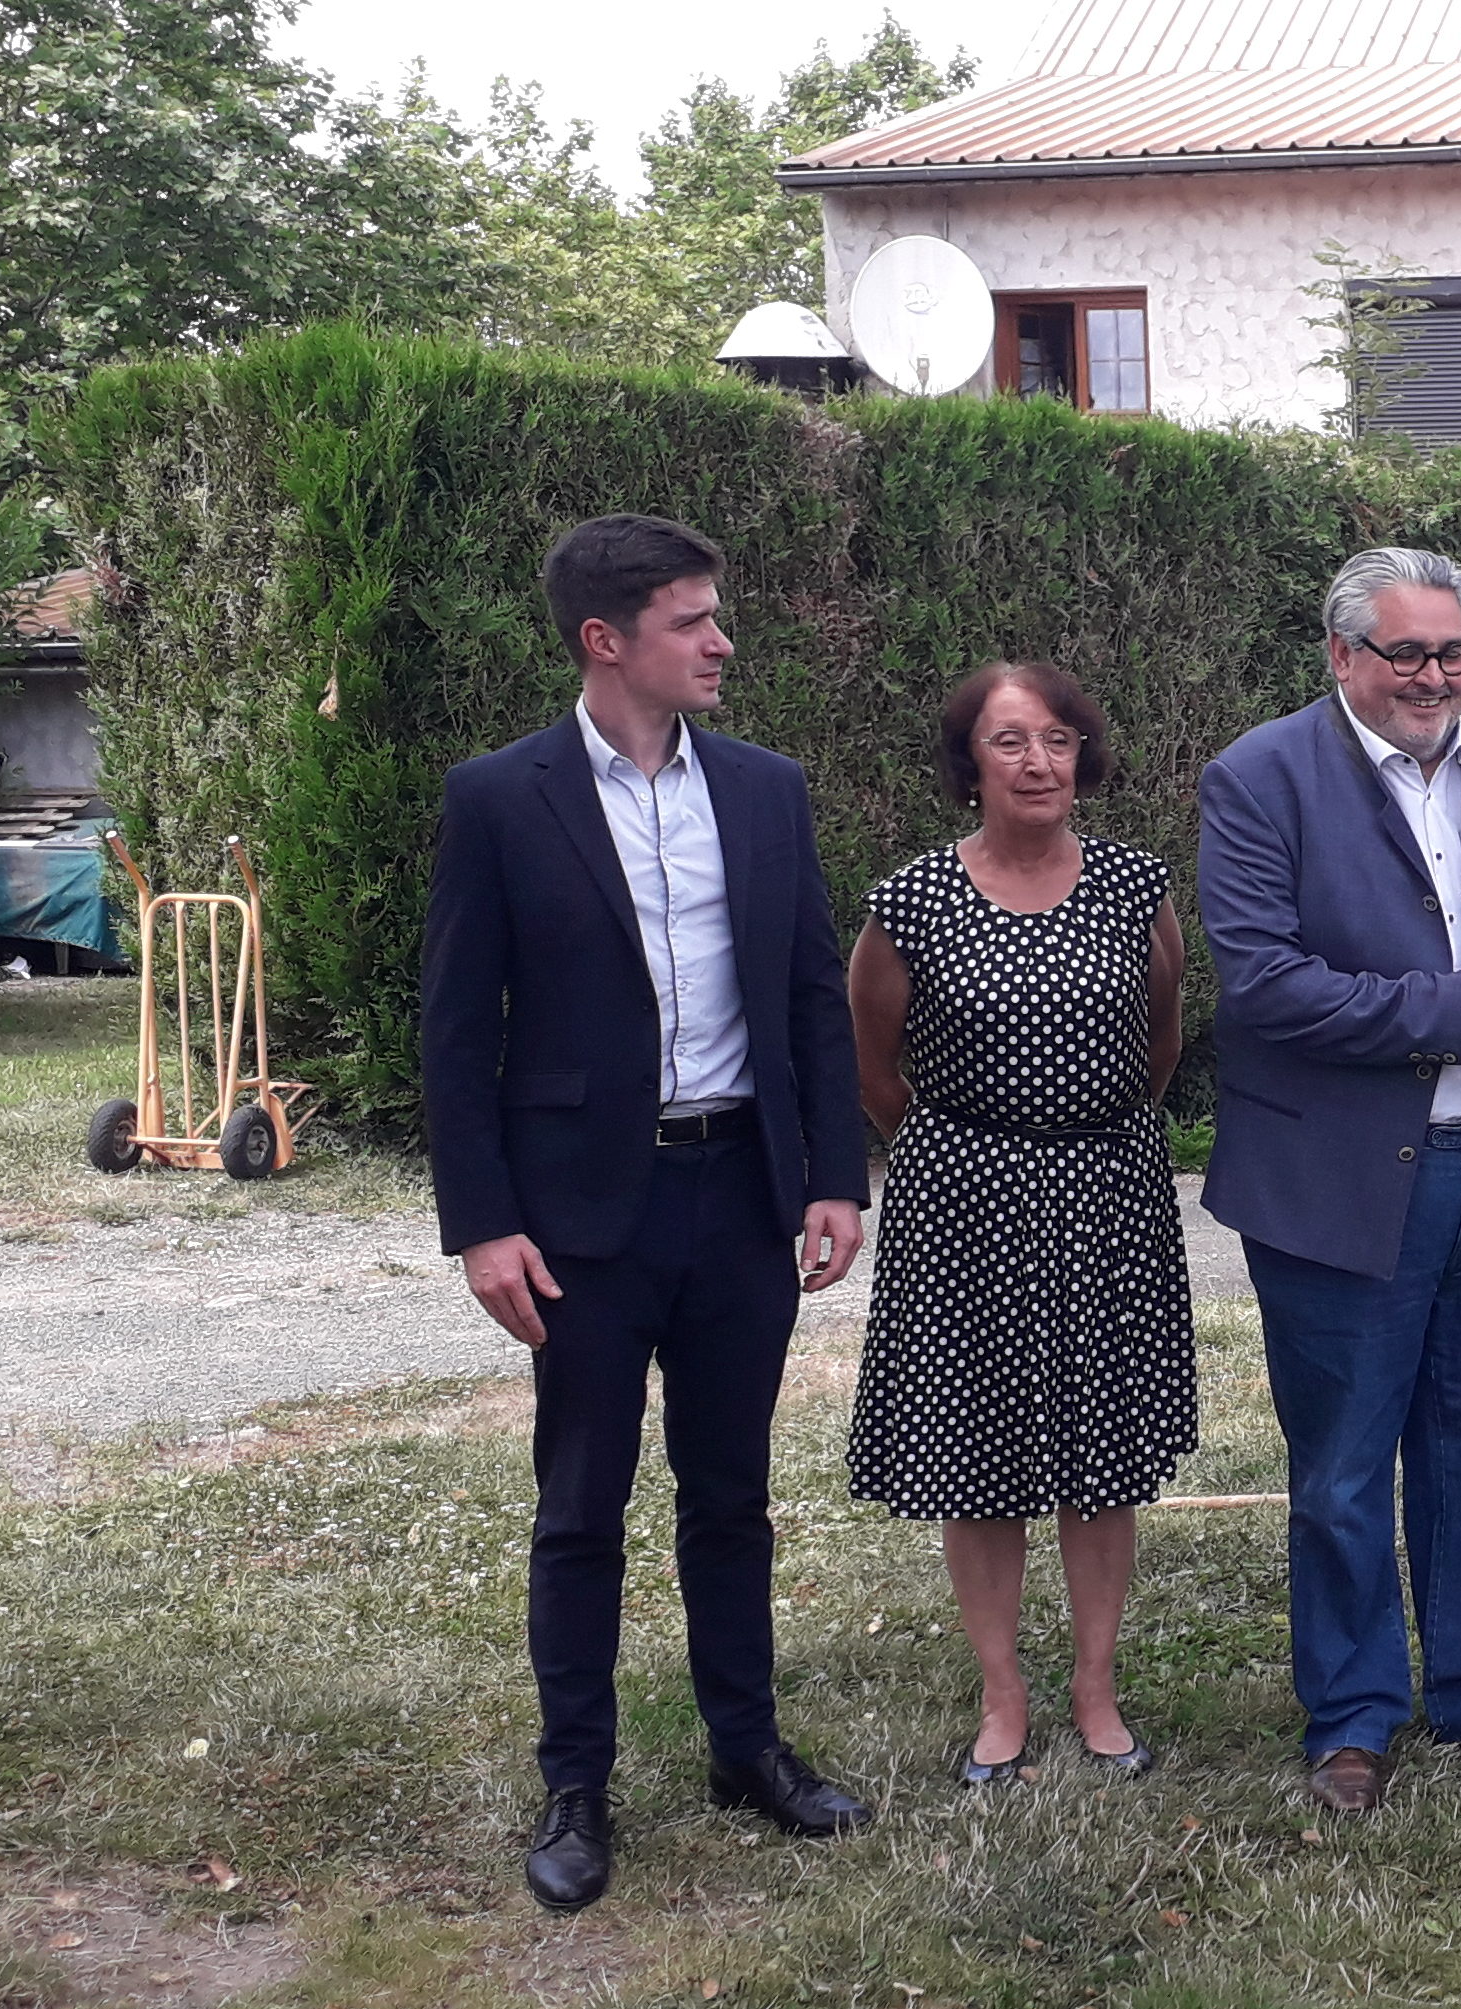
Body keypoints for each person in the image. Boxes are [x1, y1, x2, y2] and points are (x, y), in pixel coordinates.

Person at [421, 513, 875, 1913]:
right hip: (579, 1218)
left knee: (730, 1496)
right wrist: (483, 1222)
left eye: (716, 616)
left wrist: (832, 1175)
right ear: (605, 642)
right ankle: (578, 1784)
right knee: (581, 1505)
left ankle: (747, 1750)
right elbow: (454, 1028)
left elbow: (811, 993)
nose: (722, 641)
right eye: (693, 621)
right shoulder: (502, 798)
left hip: (738, 1194)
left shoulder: (766, 789)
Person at [1195, 546, 1461, 1814]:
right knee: (1341, 1466)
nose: (1433, 676)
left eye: (1451, 653)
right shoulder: (1261, 776)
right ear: (1341, 657)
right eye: (1405, 653)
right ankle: (1354, 1713)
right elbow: (1261, 985)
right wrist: (1454, 1010)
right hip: (1340, 1179)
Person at [844, 662, 1196, 1786]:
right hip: (964, 1201)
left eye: (1056, 740)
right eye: (1010, 742)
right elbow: (875, 1065)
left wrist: (1083, 1133)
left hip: (1110, 1189)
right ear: (970, 766)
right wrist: (981, 1147)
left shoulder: (1137, 889)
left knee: (1104, 1453)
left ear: (1082, 758)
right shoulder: (910, 903)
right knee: (974, 1454)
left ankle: (1095, 1690)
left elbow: (1162, 1035)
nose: (1038, 762)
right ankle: (1005, 1697)